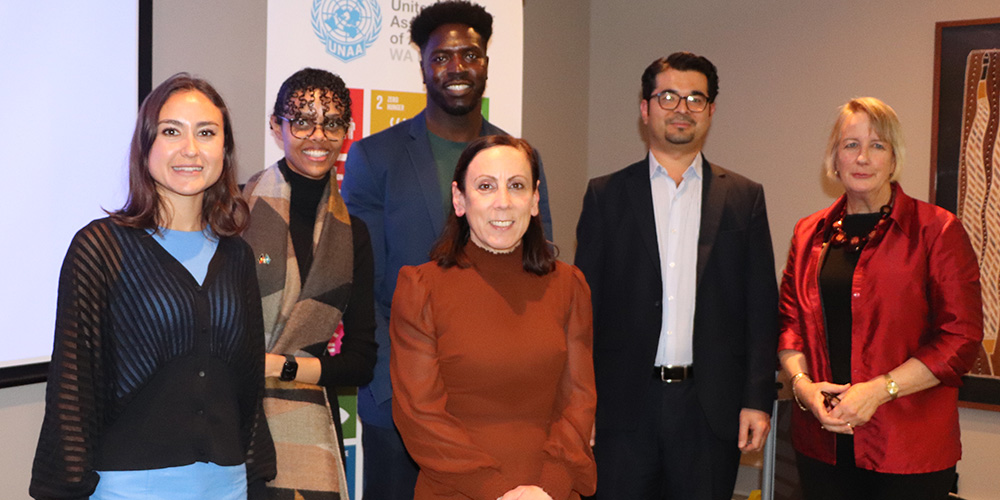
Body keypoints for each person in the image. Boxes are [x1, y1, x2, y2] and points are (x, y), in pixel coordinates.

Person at [341, 1, 553, 497]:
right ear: (422, 66)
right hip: (401, 398)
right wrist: (389, 392)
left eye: (469, 55)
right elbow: (365, 284)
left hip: (499, 405)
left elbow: (538, 271)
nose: (456, 67)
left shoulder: (520, 157)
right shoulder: (377, 156)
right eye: (441, 57)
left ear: (485, 64)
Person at [29, 73, 275, 500]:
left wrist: (254, 479)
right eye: (171, 131)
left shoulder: (237, 258)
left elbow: (248, 387)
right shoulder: (101, 248)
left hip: (229, 486)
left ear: (224, 149)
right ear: (146, 146)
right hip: (131, 488)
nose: (191, 149)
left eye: (206, 133)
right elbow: (73, 384)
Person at [574, 52, 778, 500]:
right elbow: (581, 312)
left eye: (695, 98)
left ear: (711, 111)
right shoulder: (605, 196)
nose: (682, 108)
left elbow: (761, 311)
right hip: (623, 408)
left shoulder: (744, 198)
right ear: (645, 108)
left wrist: (757, 399)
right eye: (668, 96)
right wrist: (580, 404)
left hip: (710, 410)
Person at [777, 97, 983, 500]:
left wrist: (878, 390)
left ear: (893, 158)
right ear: (834, 159)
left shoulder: (937, 232)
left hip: (908, 451)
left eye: (877, 145)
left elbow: (961, 339)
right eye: (850, 144)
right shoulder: (807, 234)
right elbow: (789, 327)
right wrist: (803, 388)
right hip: (822, 444)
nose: (863, 157)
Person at [390, 135, 596, 500]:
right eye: (486, 186)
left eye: (516, 186)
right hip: (457, 490)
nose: (503, 202)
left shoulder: (568, 285)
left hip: (550, 492)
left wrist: (549, 487)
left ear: (534, 200)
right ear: (459, 199)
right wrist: (495, 491)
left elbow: (578, 403)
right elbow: (419, 416)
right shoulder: (421, 288)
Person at [242, 68, 377, 498]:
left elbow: (361, 360)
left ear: (347, 132)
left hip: (310, 424)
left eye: (332, 122)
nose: (317, 135)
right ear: (276, 127)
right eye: (302, 120)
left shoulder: (353, 233)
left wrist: (281, 366)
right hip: (228, 419)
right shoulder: (232, 214)